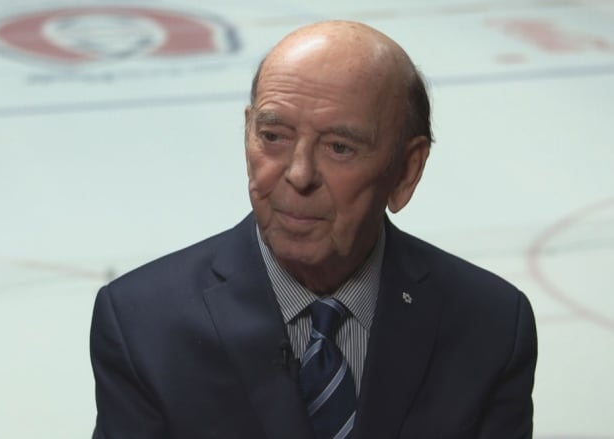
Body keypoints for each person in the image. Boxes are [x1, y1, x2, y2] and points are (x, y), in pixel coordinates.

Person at [90, 20, 537, 439]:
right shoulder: (143, 325)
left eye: (340, 147)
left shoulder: (491, 325)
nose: (298, 175)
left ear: (406, 170)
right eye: (273, 137)